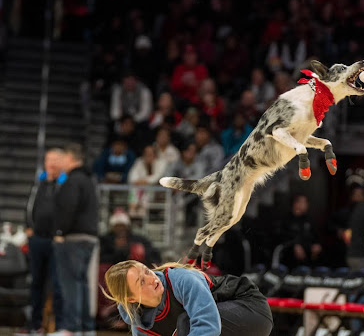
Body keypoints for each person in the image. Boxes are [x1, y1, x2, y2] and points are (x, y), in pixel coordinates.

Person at [103, 260, 273, 336]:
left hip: (252, 309)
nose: (151, 278)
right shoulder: (139, 323)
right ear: (132, 299)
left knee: (186, 323)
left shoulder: (180, 279)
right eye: (141, 282)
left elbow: (209, 326)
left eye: (146, 271)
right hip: (226, 326)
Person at [53, 143, 99, 334]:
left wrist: (59, 232)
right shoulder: (89, 180)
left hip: (74, 238)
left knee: (70, 283)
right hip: (89, 237)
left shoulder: (73, 180)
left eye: (63, 157)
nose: (61, 161)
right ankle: (86, 328)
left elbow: (68, 209)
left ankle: (71, 328)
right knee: (82, 284)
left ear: (70, 158)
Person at [25, 149, 65, 333]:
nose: (52, 163)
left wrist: (61, 232)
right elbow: (29, 205)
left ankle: (58, 326)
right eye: (49, 159)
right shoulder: (39, 182)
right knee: (36, 283)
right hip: (37, 239)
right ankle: (35, 324)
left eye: (56, 160)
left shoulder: (65, 183)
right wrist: (28, 226)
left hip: (56, 241)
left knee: (57, 285)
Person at [279, 195, 323, 269]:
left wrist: (317, 245)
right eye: (303, 202)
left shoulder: (309, 220)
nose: (306, 205)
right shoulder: (286, 220)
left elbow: (315, 236)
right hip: (290, 256)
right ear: (296, 204)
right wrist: (294, 245)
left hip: (308, 255)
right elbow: (282, 237)